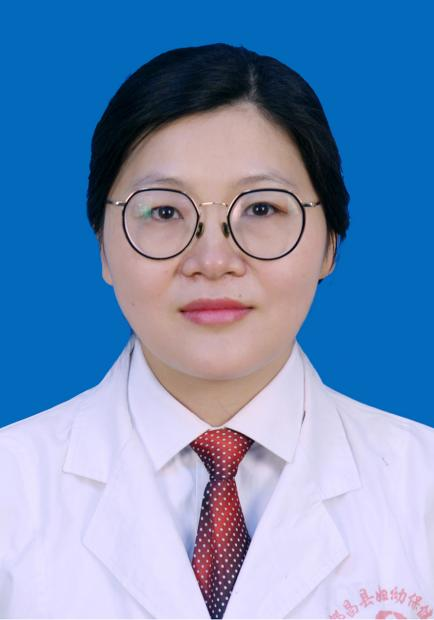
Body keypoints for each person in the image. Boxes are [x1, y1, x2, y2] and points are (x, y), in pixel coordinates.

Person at [0, 43, 433, 620]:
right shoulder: (11, 491)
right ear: (103, 246)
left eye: (261, 209)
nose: (212, 261)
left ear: (330, 243)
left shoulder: (422, 487)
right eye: (164, 212)